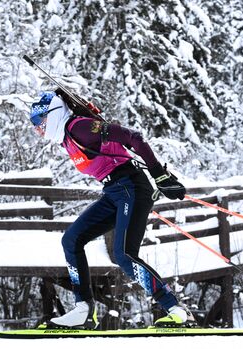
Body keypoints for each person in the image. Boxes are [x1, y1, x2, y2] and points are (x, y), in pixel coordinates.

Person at [29, 91, 193, 329]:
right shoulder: (68, 138)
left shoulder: (79, 127)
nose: (37, 129)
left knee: (124, 255)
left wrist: (159, 174)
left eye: (38, 122)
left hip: (131, 187)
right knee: (72, 240)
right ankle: (83, 310)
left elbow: (133, 138)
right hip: (115, 191)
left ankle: (176, 311)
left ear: (52, 115)